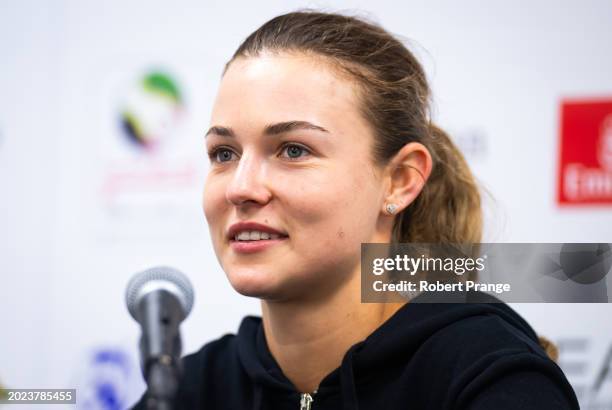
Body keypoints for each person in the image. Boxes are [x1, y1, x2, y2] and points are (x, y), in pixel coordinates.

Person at [133, 10, 578, 410]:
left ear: (400, 180)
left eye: (292, 150)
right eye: (224, 154)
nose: (241, 188)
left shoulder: (487, 378)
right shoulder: (187, 391)